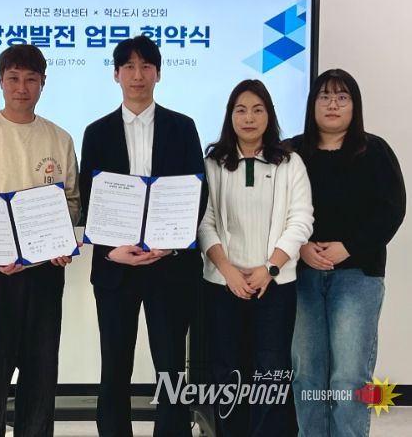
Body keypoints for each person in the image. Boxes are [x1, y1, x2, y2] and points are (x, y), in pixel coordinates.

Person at [0, 44, 80, 437]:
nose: (22, 88)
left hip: (44, 273)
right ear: (0, 81)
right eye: (13, 79)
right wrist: (2, 249)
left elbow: (72, 203)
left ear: (43, 83)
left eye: (30, 79)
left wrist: (52, 242)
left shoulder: (59, 138)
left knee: (41, 373)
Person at [79, 35, 207, 437]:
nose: (138, 75)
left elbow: (197, 193)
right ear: (116, 74)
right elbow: (89, 198)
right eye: (129, 67)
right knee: (114, 366)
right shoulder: (96, 132)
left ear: (158, 73)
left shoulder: (183, 127)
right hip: (116, 267)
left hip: (170, 267)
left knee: (171, 368)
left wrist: (170, 243)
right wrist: (111, 249)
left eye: (146, 66)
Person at [290, 69, 406, 436]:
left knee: (349, 375)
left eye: (342, 97)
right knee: (307, 372)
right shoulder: (292, 152)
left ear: (355, 106)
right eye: (324, 96)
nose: (333, 104)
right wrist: (300, 247)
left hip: (358, 276)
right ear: (312, 104)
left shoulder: (374, 151)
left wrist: (349, 247)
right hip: (302, 274)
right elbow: (276, 209)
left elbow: (392, 210)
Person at [197, 79, 313, 436]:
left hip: (275, 285)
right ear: (230, 115)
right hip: (223, 284)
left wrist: (270, 268)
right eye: (241, 110)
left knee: (271, 371)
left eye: (257, 110)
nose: (249, 118)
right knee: (228, 371)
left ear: (269, 115)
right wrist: (228, 271)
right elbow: (204, 222)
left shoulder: (290, 163)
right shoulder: (213, 163)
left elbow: (301, 220)